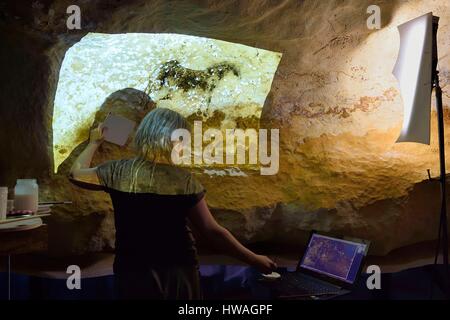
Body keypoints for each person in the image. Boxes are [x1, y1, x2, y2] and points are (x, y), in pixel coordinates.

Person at [69, 107, 277, 299]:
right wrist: (254, 259)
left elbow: (76, 174)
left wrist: (94, 142)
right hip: (179, 271)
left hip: (131, 270)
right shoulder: (184, 181)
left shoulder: (117, 171)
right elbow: (212, 231)